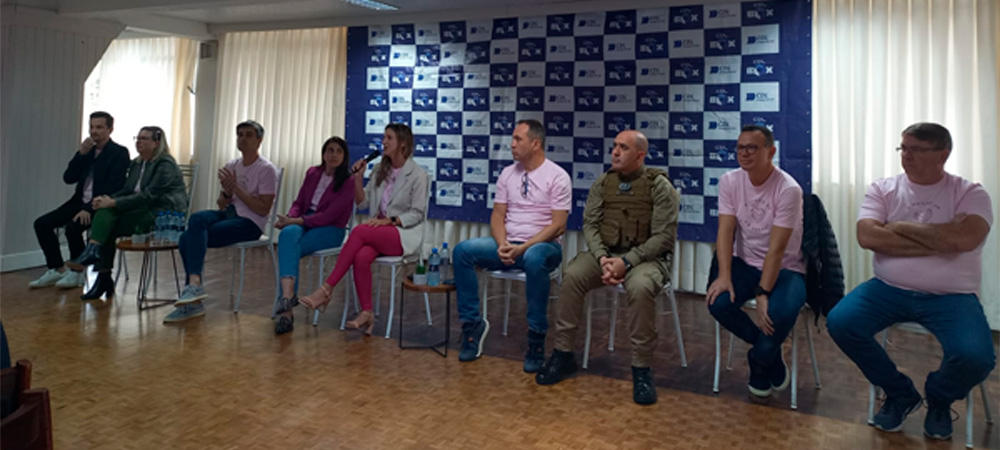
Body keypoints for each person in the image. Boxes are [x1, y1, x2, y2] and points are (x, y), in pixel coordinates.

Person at [827, 123, 995, 440]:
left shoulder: (970, 193)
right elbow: (867, 237)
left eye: (916, 149)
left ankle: (939, 398)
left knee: (976, 357)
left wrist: (898, 227)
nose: (906, 156)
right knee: (841, 322)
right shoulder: (883, 189)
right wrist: (943, 239)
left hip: (952, 296)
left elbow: (965, 239)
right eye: (903, 148)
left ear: (943, 154)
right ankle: (900, 393)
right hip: (887, 289)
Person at [534, 130, 679, 404]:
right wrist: (602, 259)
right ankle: (563, 353)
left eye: (623, 148)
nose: (615, 152)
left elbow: (663, 237)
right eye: (614, 146)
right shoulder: (603, 183)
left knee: (641, 287)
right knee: (573, 275)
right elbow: (590, 225)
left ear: (640, 155)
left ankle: (642, 369)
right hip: (607, 255)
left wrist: (626, 262)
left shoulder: (659, 186)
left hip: (645, 260)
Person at [454, 119, 571, 373]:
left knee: (534, 257)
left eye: (518, 139)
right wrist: (503, 244)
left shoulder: (558, 176)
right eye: (513, 139)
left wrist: (523, 248)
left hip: (544, 246)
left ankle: (536, 338)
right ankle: (473, 326)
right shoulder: (508, 173)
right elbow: (498, 215)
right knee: (462, 251)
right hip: (510, 244)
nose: (512, 144)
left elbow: (558, 225)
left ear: (536, 144)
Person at [704, 124, 807, 399]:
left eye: (752, 147)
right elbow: (725, 232)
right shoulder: (729, 181)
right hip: (745, 263)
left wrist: (763, 293)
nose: (744, 153)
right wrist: (724, 276)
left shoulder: (788, 189)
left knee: (779, 314)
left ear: (771, 152)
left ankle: (759, 359)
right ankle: (768, 353)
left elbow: (777, 249)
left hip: (785, 268)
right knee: (718, 303)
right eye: (740, 148)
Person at [297, 123, 428, 335]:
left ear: (403, 144)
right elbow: (362, 203)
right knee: (361, 257)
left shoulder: (418, 175)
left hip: (402, 234)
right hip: (377, 232)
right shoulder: (379, 170)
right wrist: (357, 180)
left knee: (359, 231)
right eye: (384, 137)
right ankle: (367, 312)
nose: (383, 142)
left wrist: (389, 221)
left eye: (389, 138)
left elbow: (417, 213)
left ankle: (326, 289)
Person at [164, 120, 277, 323]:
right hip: (229, 214)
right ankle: (194, 286)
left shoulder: (266, 169)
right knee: (197, 218)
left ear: (259, 140)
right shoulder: (232, 165)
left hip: (251, 222)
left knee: (186, 238)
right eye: (240, 134)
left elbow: (263, 208)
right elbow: (221, 204)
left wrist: (236, 188)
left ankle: (193, 296)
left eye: (248, 135)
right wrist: (227, 191)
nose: (242, 139)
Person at [65, 126, 189, 300]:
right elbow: (128, 190)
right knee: (105, 212)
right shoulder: (137, 163)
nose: (139, 142)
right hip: (139, 208)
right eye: (137, 138)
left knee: (107, 225)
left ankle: (101, 273)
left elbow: (149, 196)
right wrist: (106, 199)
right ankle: (96, 259)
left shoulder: (165, 164)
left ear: (156, 143)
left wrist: (113, 202)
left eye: (144, 139)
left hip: (163, 214)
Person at [30, 111, 129, 289]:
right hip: (78, 201)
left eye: (99, 127)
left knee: (73, 228)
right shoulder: (87, 151)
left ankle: (77, 273)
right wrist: (81, 155)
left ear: (110, 129)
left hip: (101, 204)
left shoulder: (119, 152)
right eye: (91, 127)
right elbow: (68, 178)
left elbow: (115, 186)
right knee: (42, 224)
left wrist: (89, 208)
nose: (94, 131)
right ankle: (56, 268)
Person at [272, 137, 356, 335]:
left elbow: (329, 216)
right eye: (330, 150)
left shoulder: (348, 181)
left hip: (331, 229)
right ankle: (287, 299)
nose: (334, 155)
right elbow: (299, 202)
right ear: (323, 154)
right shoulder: (312, 173)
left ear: (344, 156)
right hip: (304, 221)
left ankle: (285, 312)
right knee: (287, 235)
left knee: (289, 249)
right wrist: (290, 218)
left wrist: (295, 221)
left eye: (339, 151)